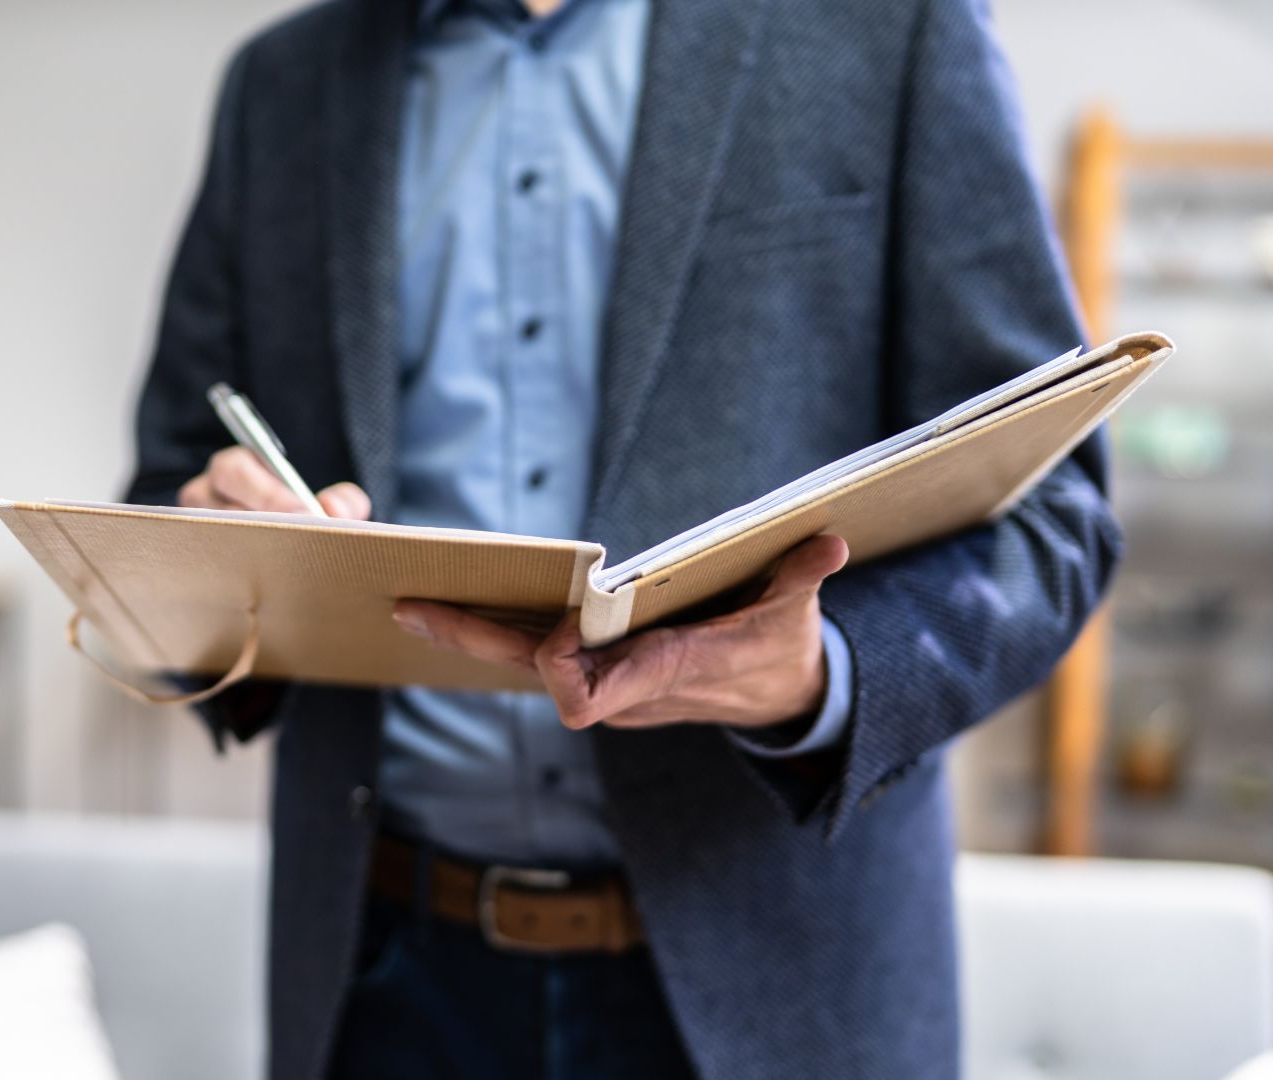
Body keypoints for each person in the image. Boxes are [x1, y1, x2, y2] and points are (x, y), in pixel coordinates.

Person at [125, 0, 1119, 1076]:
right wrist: (214, 557)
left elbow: (1051, 514)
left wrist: (823, 676)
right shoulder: (282, 83)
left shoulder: (890, 26)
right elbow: (168, 493)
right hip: (381, 980)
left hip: (781, 984)